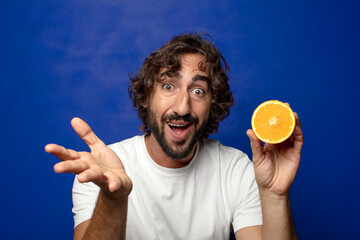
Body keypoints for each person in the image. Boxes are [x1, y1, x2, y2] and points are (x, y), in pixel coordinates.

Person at [45, 33, 303, 240]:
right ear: (146, 96)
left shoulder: (236, 169)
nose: (182, 107)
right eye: (169, 86)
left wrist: (275, 196)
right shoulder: (101, 171)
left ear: (212, 104)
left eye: (199, 91)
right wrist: (113, 197)